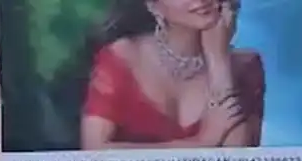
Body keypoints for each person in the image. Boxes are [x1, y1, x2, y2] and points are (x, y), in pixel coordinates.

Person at [81, 0, 264, 149]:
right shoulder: (121, 58)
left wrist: (218, 60)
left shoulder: (245, 66)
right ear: (153, 5)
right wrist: (200, 143)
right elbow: (95, 150)